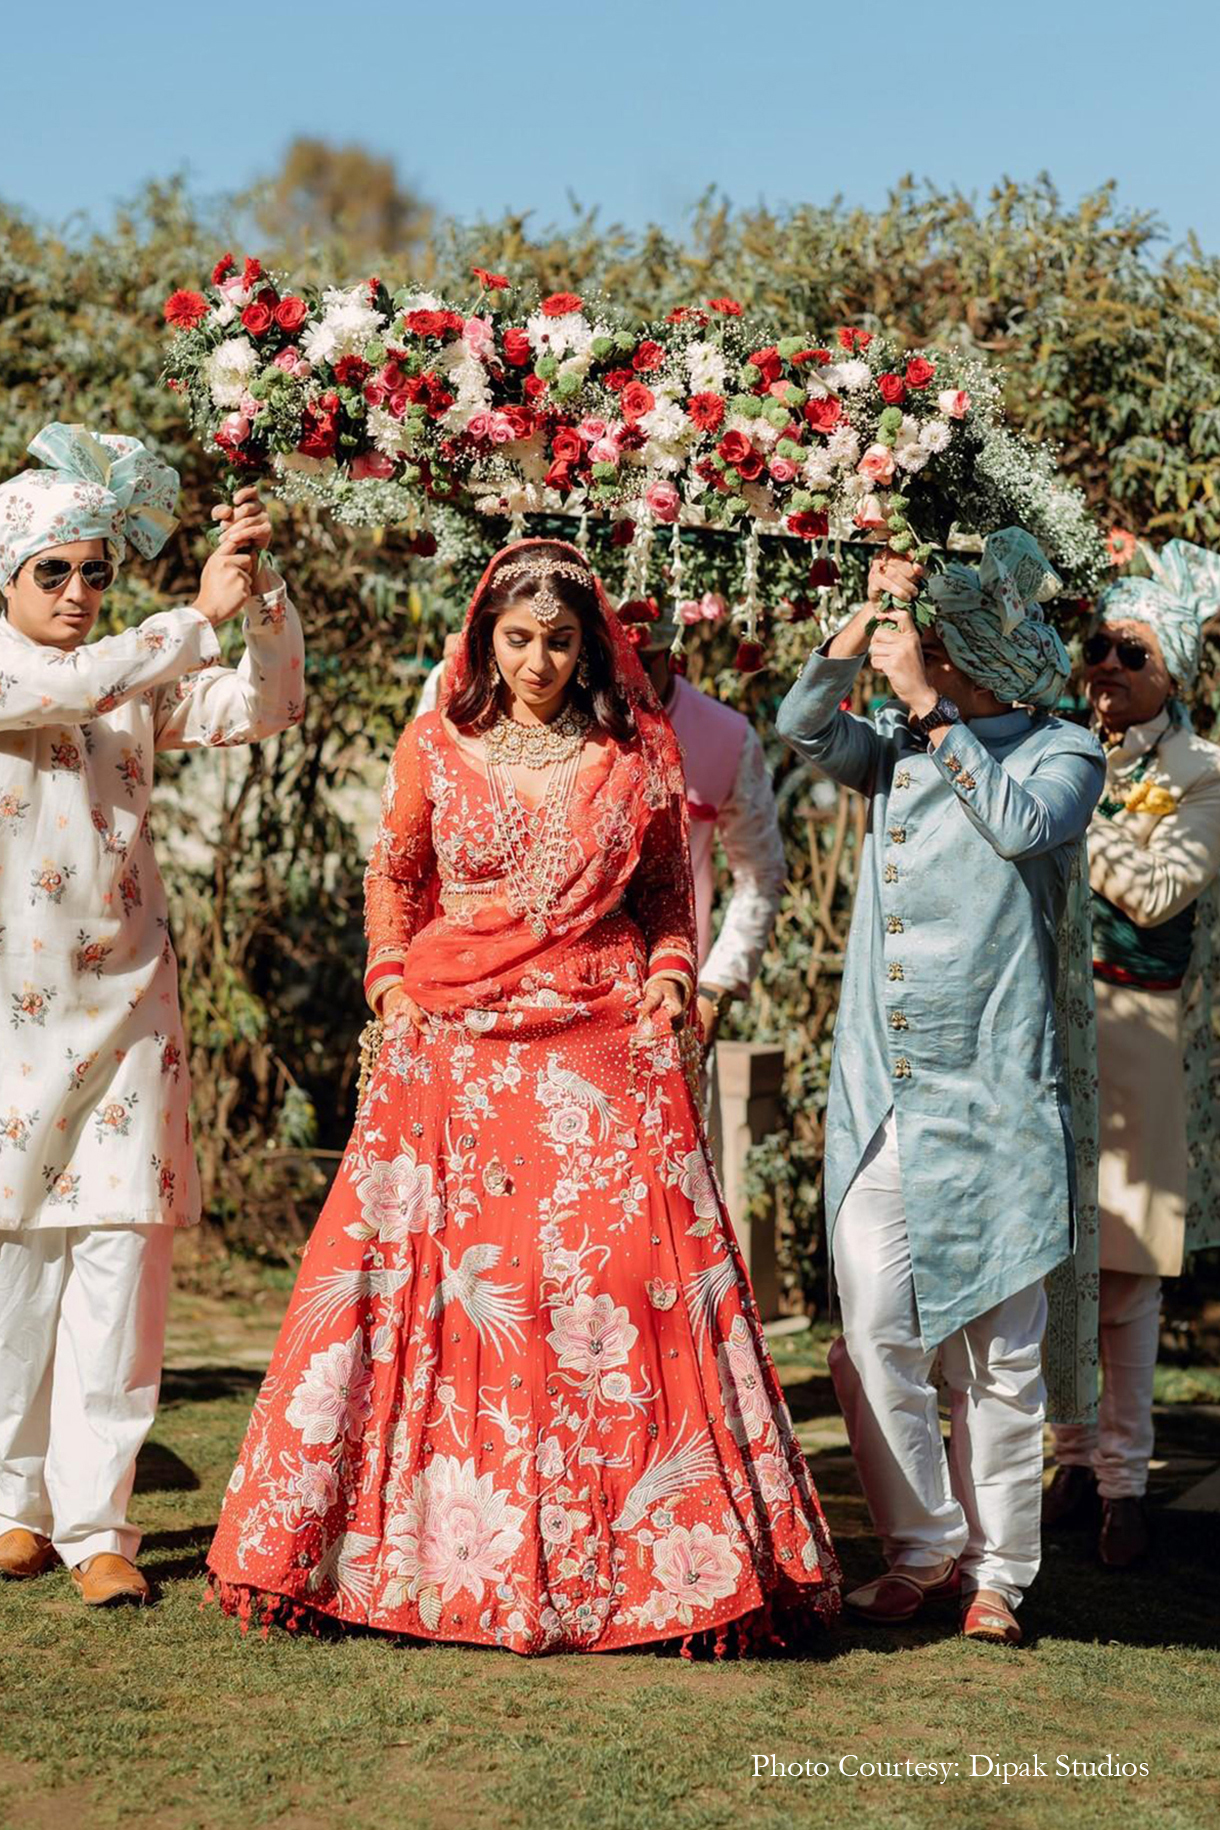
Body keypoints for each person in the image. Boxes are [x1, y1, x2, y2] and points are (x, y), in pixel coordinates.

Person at [208, 537, 840, 1654]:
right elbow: (394, 877)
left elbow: (666, 892)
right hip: (453, 1044)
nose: (538, 662)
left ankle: (652, 1566)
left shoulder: (633, 753)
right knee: (447, 1297)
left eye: (557, 641)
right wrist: (390, 985)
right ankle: (425, 1558)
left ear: (589, 644)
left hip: (600, 1041)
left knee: (619, 1291)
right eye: (517, 639)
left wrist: (671, 976)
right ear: (483, 639)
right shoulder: (436, 745)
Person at [775, 529, 1105, 1646]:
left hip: (999, 1092)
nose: (914, 658)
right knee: (873, 1330)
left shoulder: (1064, 750)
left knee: (1000, 1356)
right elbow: (801, 724)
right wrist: (865, 615)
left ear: (970, 658)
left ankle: (999, 1577)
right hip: (888, 1092)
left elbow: (1019, 828)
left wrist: (927, 709)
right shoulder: (893, 747)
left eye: (931, 646)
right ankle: (920, 1548)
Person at [0, 423, 305, 1606]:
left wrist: (257, 596)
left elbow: (264, 705)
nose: (78, 592)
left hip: (131, 1017)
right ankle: (13, 1506)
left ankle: (98, 1530)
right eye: (52, 572)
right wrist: (196, 615)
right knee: (17, 1271)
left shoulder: (130, 681)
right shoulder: (33, 674)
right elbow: (82, 685)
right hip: (12, 1030)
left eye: (94, 571)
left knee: (121, 1264)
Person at [1045, 540, 1220, 1567]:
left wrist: (1068, 805)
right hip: (1041, 1026)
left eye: (1132, 652)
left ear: (1174, 675)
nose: (1105, 664)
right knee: (1053, 1257)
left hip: (1140, 1029)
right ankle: (1068, 1460)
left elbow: (1158, 893)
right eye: (1098, 646)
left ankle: (1124, 1483)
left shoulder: (1205, 773)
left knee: (1126, 1271)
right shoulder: (1057, 741)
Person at [413, 609, 787, 1050]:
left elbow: (757, 876)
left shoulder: (722, 736)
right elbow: (413, 844)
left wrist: (713, 988)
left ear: (668, 654)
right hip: (471, 990)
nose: (621, 674)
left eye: (639, 660)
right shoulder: (478, 695)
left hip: (651, 998)